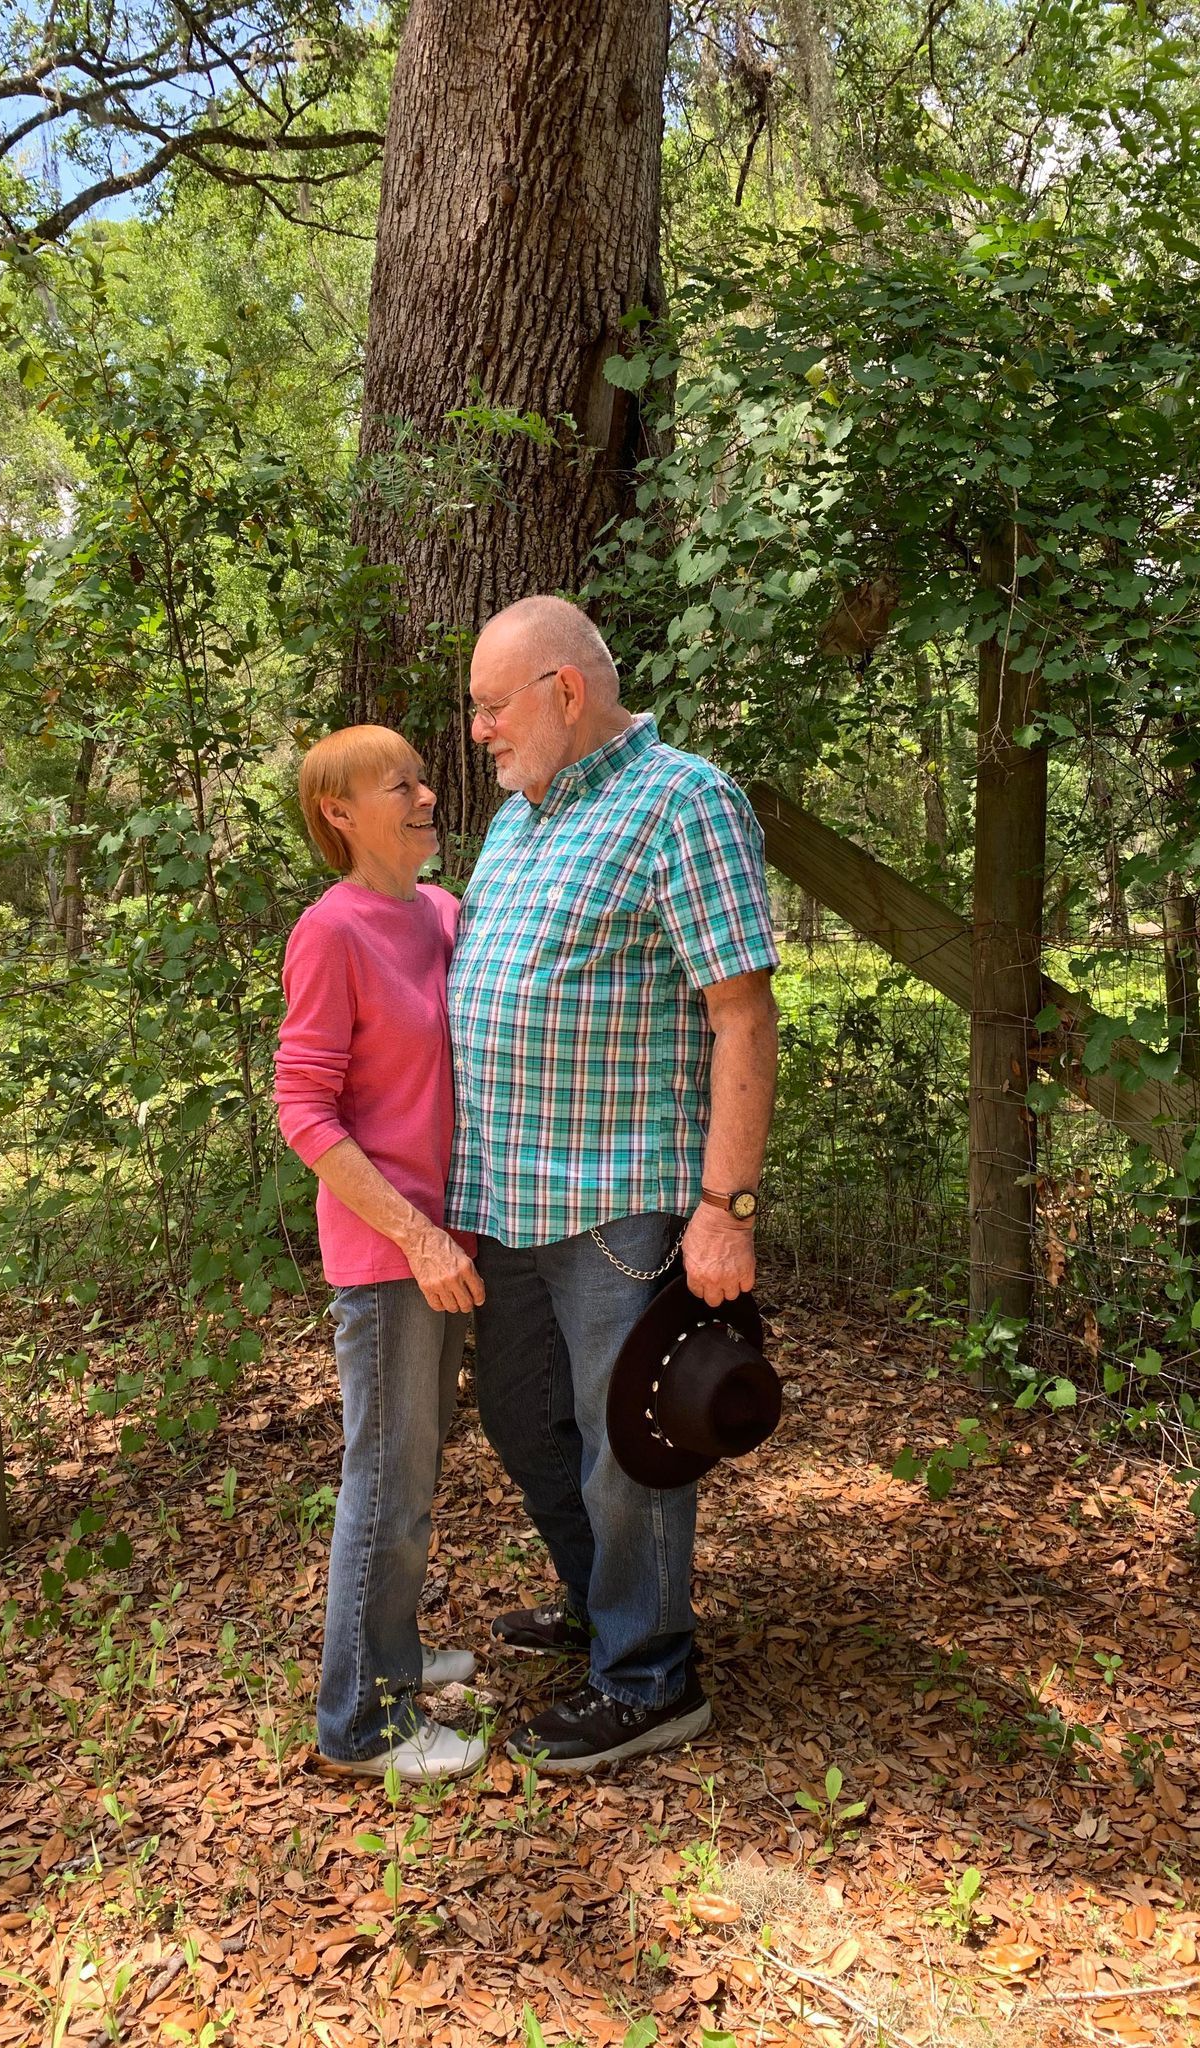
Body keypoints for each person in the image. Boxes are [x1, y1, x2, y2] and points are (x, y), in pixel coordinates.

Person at [447, 596, 780, 1772]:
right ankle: (605, 1606)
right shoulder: (517, 816)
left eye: (492, 706)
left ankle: (648, 1676)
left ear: (564, 690)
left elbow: (741, 1014)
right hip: (501, 1194)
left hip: (617, 1200)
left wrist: (725, 1206)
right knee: (522, 1419)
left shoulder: (683, 801)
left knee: (623, 1440)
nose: (479, 729)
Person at [275, 726, 488, 1783]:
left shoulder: (442, 914)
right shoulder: (331, 930)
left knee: (413, 1475)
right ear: (341, 815)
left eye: (422, 775)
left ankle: (394, 1657)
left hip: (449, 1243)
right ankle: (358, 1720)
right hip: (389, 1251)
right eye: (396, 783)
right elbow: (302, 1108)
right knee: (385, 1483)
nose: (424, 791)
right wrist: (412, 1233)